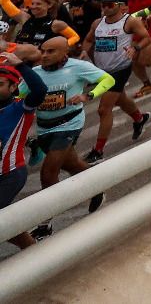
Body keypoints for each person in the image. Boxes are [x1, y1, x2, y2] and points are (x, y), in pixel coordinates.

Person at [26, 35, 114, 236]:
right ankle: (97, 186)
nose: (45, 55)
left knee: (48, 174)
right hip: (45, 128)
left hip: (69, 124)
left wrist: (88, 95)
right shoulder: (35, 73)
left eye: (51, 51)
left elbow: (108, 79)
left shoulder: (78, 67)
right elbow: (20, 95)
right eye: (43, 51)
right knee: (71, 164)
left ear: (64, 52)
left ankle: (45, 223)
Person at [86, 0, 151, 162]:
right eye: (103, 5)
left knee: (103, 109)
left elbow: (146, 38)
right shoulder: (97, 23)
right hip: (101, 70)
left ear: (121, 6)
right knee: (120, 99)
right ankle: (139, 118)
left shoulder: (129, 21)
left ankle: (98, 151)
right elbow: (88, 40)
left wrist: (135, 49)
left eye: (110, 5)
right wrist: (84, 57)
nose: (106, 8)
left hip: (120, 68)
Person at [0, 50, 47, 248]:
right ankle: (31, 248)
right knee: (4, 221)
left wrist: (20, 65)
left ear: (13, 87)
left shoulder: (21, 108)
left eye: (0, 84)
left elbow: (40, 90)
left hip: (10, 174)